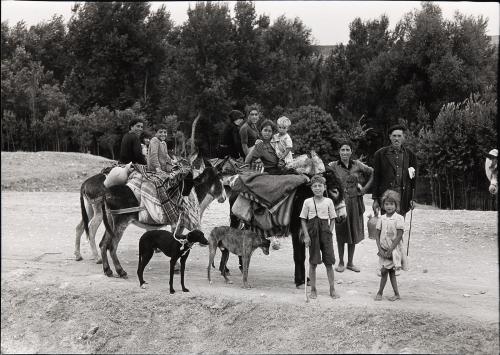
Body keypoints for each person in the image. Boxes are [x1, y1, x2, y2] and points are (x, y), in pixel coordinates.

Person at [328, 140, 373, 273]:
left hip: (355, 203)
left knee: (353, 231)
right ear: (339, 152)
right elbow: (325, 177)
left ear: (351, 152)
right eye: (342, 150)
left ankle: (350, 262)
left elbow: (373, 172)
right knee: (341, 231)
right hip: (340, 203)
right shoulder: (333, 166)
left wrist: (364, 189)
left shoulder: (358, 165)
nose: (345, 152)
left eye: (348, 150)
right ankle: (341, 262)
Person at [300, 175, 340, 299]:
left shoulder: (329, 201)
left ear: (324, 187)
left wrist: (330, 232)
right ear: (311, 188)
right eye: (315, 186)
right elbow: (303, 219)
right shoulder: (307, 202)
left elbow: (333, 218)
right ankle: (313, 289)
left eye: (320, 186)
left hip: (325, 232)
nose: (317, 188)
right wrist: (306, 236)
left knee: (329, 262)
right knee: (313, 262)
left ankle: (332, 289)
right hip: (312, 233)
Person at [372, 124, 417, 217]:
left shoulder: (410, 155)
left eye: (399, 136)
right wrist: (375, 199)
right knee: (387, 225)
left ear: (403, 137)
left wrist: (413, 198)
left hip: (403, 195)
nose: (397, 139)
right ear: (390, 137)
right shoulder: (380, 154)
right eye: (394, 136)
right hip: (386, 195)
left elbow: (413, 178)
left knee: (400, 224)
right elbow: (376, 177)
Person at [374, 190, 404, 301]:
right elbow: (376, 235)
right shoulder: (381, 218)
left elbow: (400, 235)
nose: (389, 206)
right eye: (387, 204)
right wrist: (380, 249)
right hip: (383, 250)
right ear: (383, 205)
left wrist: (390, 250)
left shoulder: (399, 218)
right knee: (390, 272)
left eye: (392, 204)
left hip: (394, 250)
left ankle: (380, 292)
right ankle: (396, 294)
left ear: (396, 205)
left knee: (384, 271)